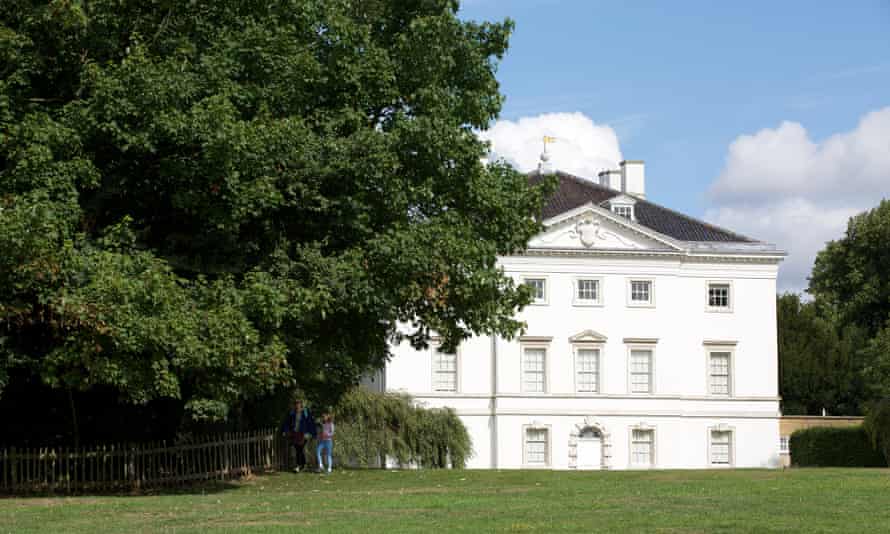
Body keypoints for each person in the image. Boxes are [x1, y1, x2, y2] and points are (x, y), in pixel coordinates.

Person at [281, 399, 315, 472]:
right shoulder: (292, 413)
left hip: (304, 434)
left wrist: (311, 433)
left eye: (299, 404)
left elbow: (310, 422)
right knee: (298, 449)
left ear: (301, 405)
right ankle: (302, 465)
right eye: (296, 404)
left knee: (300, 448)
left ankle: (299, 466)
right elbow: (287, 422)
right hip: (295, 433)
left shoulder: (305, 412)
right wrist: (285, 431)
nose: (297, 405)